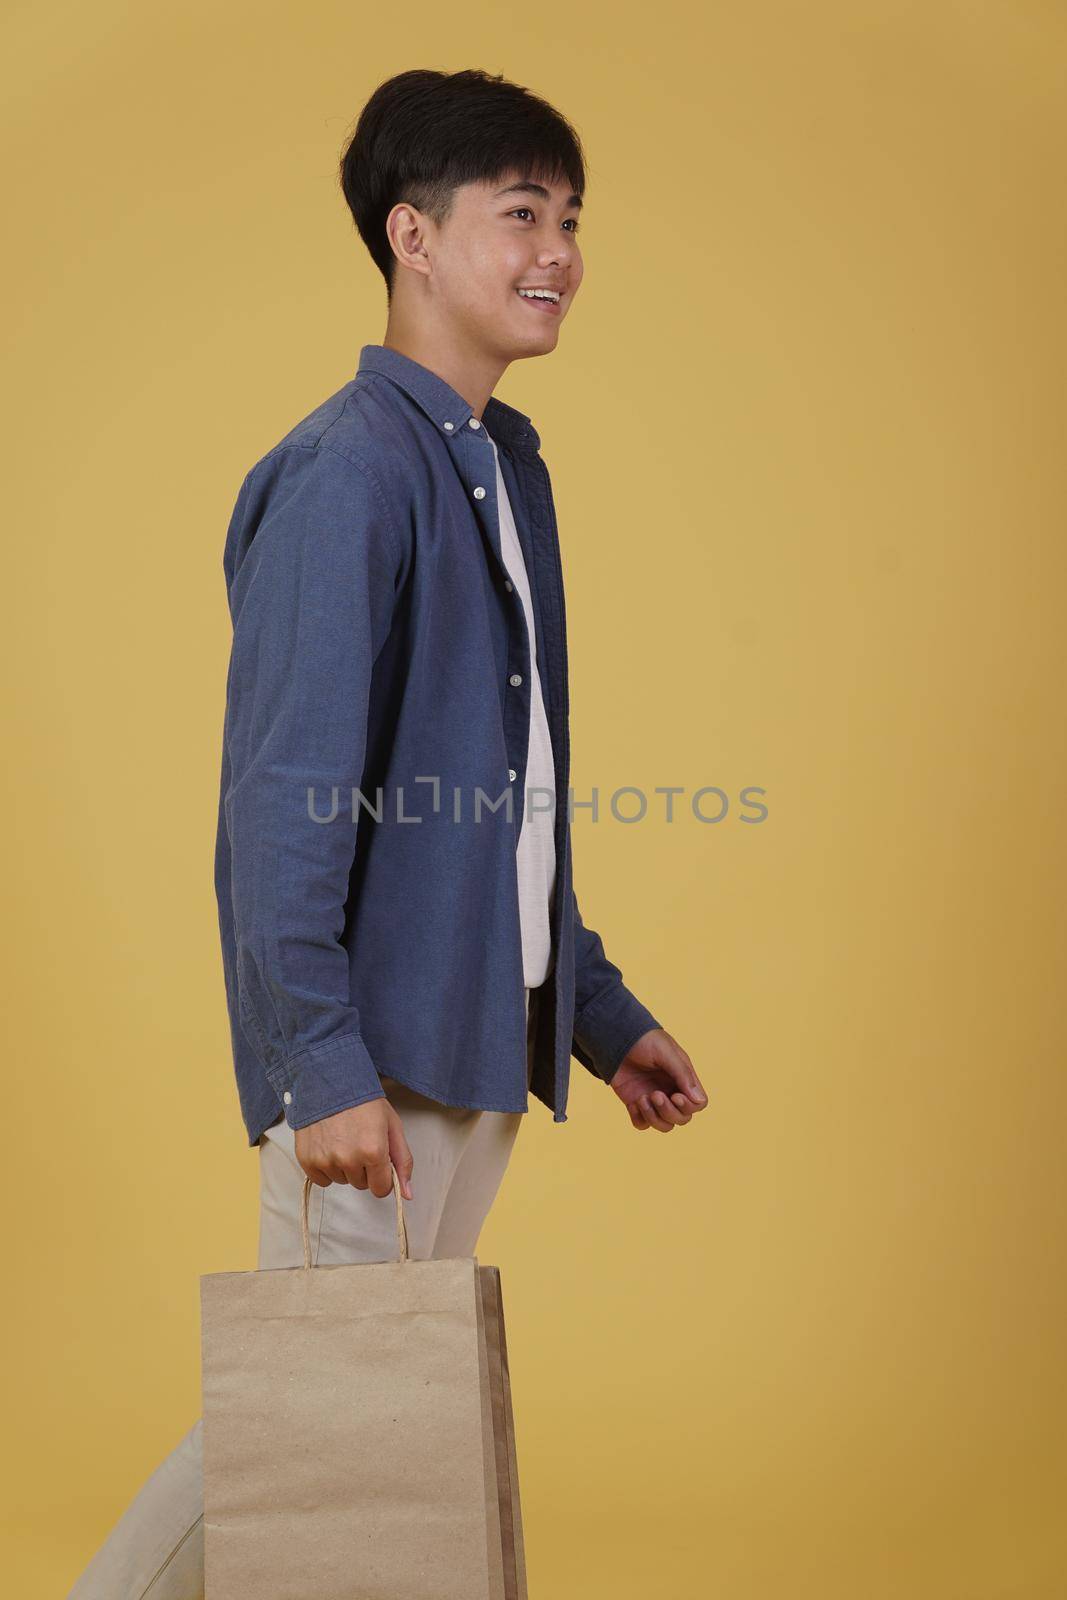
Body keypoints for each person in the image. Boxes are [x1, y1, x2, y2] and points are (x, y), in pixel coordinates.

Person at [67, 66, 707, 1599]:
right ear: (412, 237)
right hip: (373, 1064)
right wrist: (318, 1064)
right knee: (301, 1430)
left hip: (476, 1039)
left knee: (361, 1429)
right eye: (517, 215)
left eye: (569, 217)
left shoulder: (503, 471)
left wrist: (598, 1012)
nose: (554, 250)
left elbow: (510, 796)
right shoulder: (350, 471)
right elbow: (281, 800)